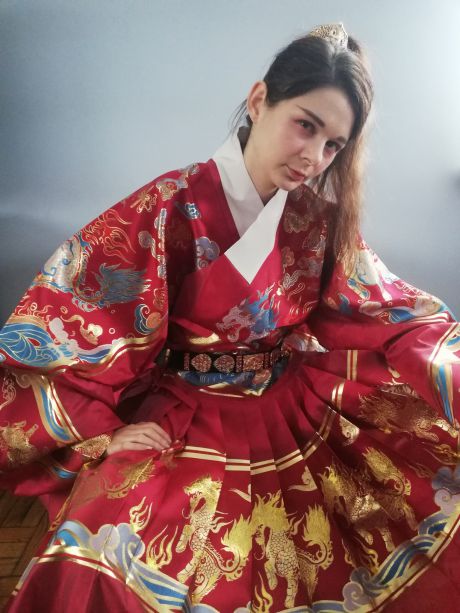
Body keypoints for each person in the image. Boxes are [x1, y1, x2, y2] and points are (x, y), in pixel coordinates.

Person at [0, 22, 459, 612]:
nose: (314, 157)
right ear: (259, 99)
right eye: (306, 125)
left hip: (292, 401)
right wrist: (102, 433)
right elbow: (74, 321)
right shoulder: (167, 207)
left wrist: (445, 366)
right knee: (96, 562)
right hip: (186, 410)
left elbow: (388, 310)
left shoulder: (320, 221)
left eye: (333, 146)